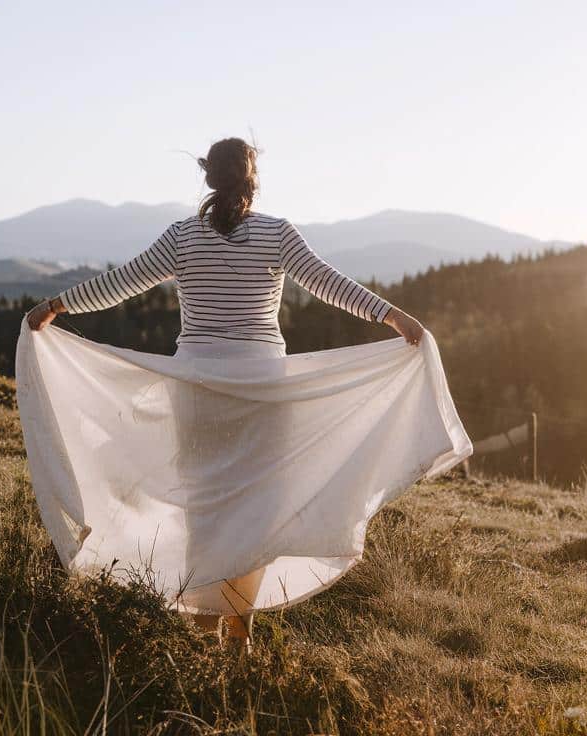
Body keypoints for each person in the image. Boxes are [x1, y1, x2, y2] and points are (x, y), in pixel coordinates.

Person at [25, 137, 428, 646]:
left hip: (195, 385)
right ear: (252, 181)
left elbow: (122, 281)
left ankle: (203, 629)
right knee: (256, 510)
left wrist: (58, 305)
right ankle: (239, 632)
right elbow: (329, 284)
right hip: (260, 388)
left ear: (209, 176)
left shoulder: (182, 237)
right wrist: (393, 317)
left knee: (204, 507)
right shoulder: (277, 234)